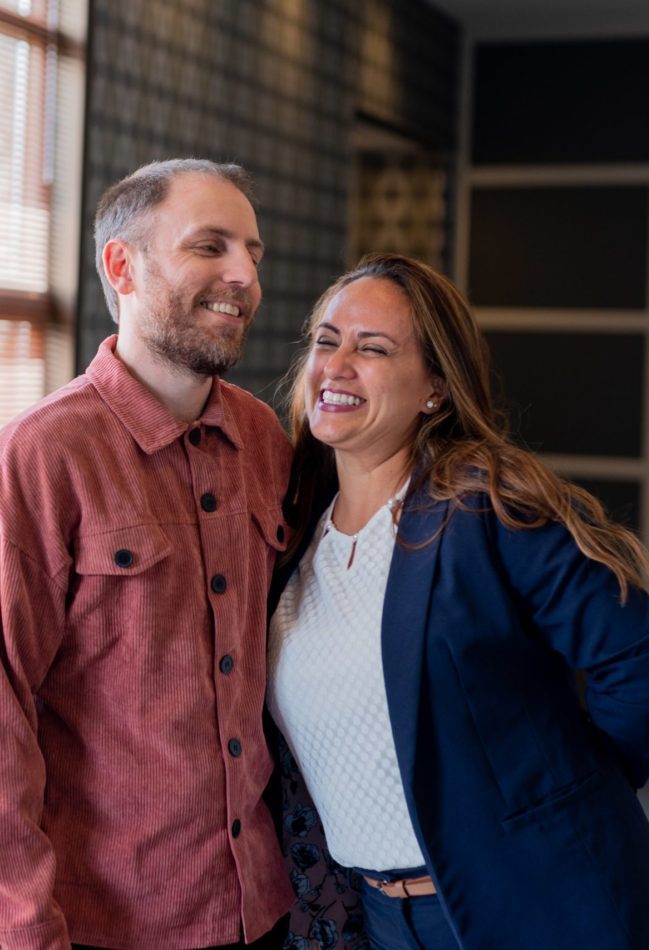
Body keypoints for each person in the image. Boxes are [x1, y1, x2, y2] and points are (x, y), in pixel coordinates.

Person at [266, 252, 649, 949]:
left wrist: (568, 800)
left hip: (529, 906)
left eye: (372, 348)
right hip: (377, 916)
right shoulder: (292, 522)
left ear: (434, 387)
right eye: (326, 340)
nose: (337, 364)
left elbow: (647, 665)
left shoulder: (483, 507)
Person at [0, 159, 295, 949]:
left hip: (261, 905)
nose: (244, 276)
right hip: (108, 922)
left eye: (252, 253)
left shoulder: (265, 439)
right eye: (211, 247)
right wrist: (25, 928)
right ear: (121, 266)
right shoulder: (41, 454)